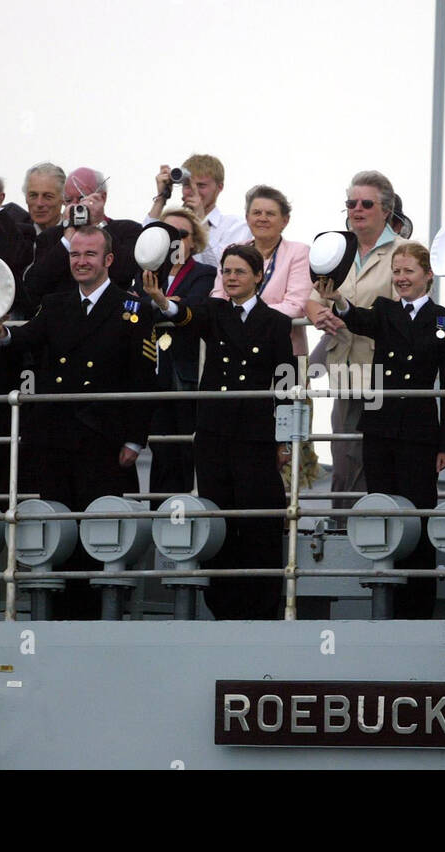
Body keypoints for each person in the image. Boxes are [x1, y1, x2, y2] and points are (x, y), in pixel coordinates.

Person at [0, 226, 158, 620]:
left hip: (103, 438)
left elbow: (144, 379)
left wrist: (135, 438)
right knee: (58, 528)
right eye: (76, 254)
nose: (81, 261)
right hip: (56, 437)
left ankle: (100, 612)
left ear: (108, 260)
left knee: (100, 529)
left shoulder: (130, 308)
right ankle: (60, 611)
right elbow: (25, 340)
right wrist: (0, 332)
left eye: (90, 255)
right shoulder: (56, 303)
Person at [142, 244, 294, 621]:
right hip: (214, 433)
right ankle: (223, 607)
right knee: (219, 519)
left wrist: (285, 438)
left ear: (258, 276)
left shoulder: (275, 323)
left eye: (240, 271)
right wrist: (163, 301)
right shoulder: (215, 312)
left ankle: (261, 607)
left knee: (258, 522)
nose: (231, 278)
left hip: (256, 436)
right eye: (226, 271)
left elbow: (286, 383)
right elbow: (185, 315)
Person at [315, 241, 445, 618]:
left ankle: (418, 608)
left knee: (418, 518)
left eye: (408, 272)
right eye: (396, 272)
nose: (401, 278)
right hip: (381, 431)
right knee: (382, 514)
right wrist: (338, 300)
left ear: (427, 276)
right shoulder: (384, 311)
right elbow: (357, 318)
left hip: (419, 434)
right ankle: (385, 601)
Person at [310, 170, 402, 513]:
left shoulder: (405, 252)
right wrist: (320, 314)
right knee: (344, 454)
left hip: (384, 369)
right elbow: (312, 297)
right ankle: (341, 528)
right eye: (351, 203)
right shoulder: (334, 249)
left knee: (376, 455)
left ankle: (374, 530)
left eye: (366, 203)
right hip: (343, 366)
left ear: (386, 210)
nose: (357, 209)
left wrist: (347, 312)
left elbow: (403, 313)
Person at [147, 208, 215, 497]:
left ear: (194, 241)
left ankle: (187, 519)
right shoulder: (147, 271)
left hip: (186, 372)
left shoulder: (205, 273)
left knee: (186, 449)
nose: (175, 240)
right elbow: (136, 306)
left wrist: (162, 303)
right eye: (168, 234)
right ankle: (158, 520)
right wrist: (167, 303)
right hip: (151, 371)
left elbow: (195, 306)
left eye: (182, 234)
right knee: (160, 451)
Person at [212, 185, 314, 355]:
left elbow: (295, 306)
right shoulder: (231, 251)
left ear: (285, 220)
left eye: (270, 214)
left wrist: (242, 312)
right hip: (233, 349)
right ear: (247, 217)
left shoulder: (299, 252)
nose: (263, 218)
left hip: (281, 350)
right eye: (257, 213)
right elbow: (218, 298)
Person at [24, 167, 143, 307]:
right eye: (68, 200)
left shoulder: (127, 230)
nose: (76, 205)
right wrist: (67, 239)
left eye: (82, 198)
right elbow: (34, 287)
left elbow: (125, 274)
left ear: (102, 197)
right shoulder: (50, 237)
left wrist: (98, 224)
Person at [147, 154, 252, 269]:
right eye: (187, 185)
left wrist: (201, 220)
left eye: (201, 186)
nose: (193, 191)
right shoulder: (174, 223)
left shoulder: (236, 226)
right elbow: (145, 252)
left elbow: (220, 269)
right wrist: (161, 199)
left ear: (219, 187)